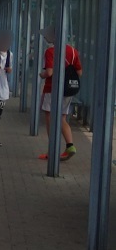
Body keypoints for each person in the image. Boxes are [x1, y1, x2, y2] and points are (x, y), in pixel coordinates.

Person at [38, 26, 82, 160]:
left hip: (52, 89)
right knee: (62, 118)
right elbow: (79, 72)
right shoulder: (73, 51)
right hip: (68, 90)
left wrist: (42, 74)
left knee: (50, 118)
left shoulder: (50, 51)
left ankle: (52, 151)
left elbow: (49, 72)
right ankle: (70, 146)